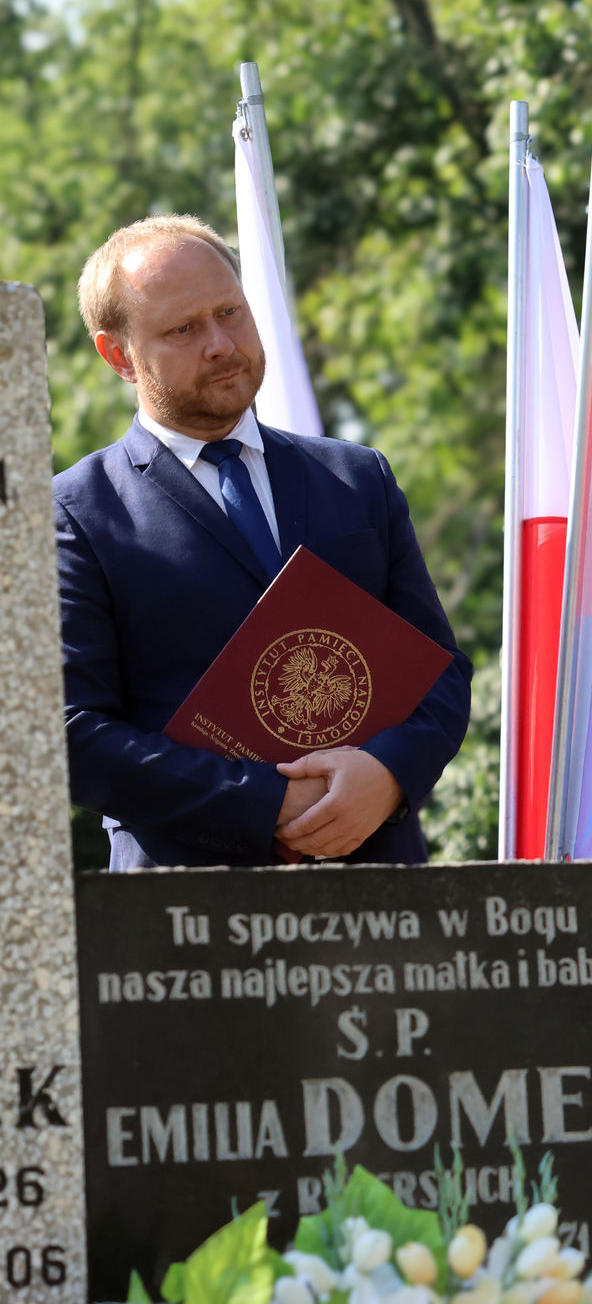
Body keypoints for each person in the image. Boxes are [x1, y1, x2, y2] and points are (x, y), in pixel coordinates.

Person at [55, 215, 472, 868]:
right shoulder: (75, 512)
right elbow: (70, 732)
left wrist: (388, 775)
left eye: (230, 312)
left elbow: (440, 671)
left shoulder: (357, 477)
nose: (221, 344)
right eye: (183, 329)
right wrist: (266, 800)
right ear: (118, 356)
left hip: (380, 885)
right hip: (186, 902)